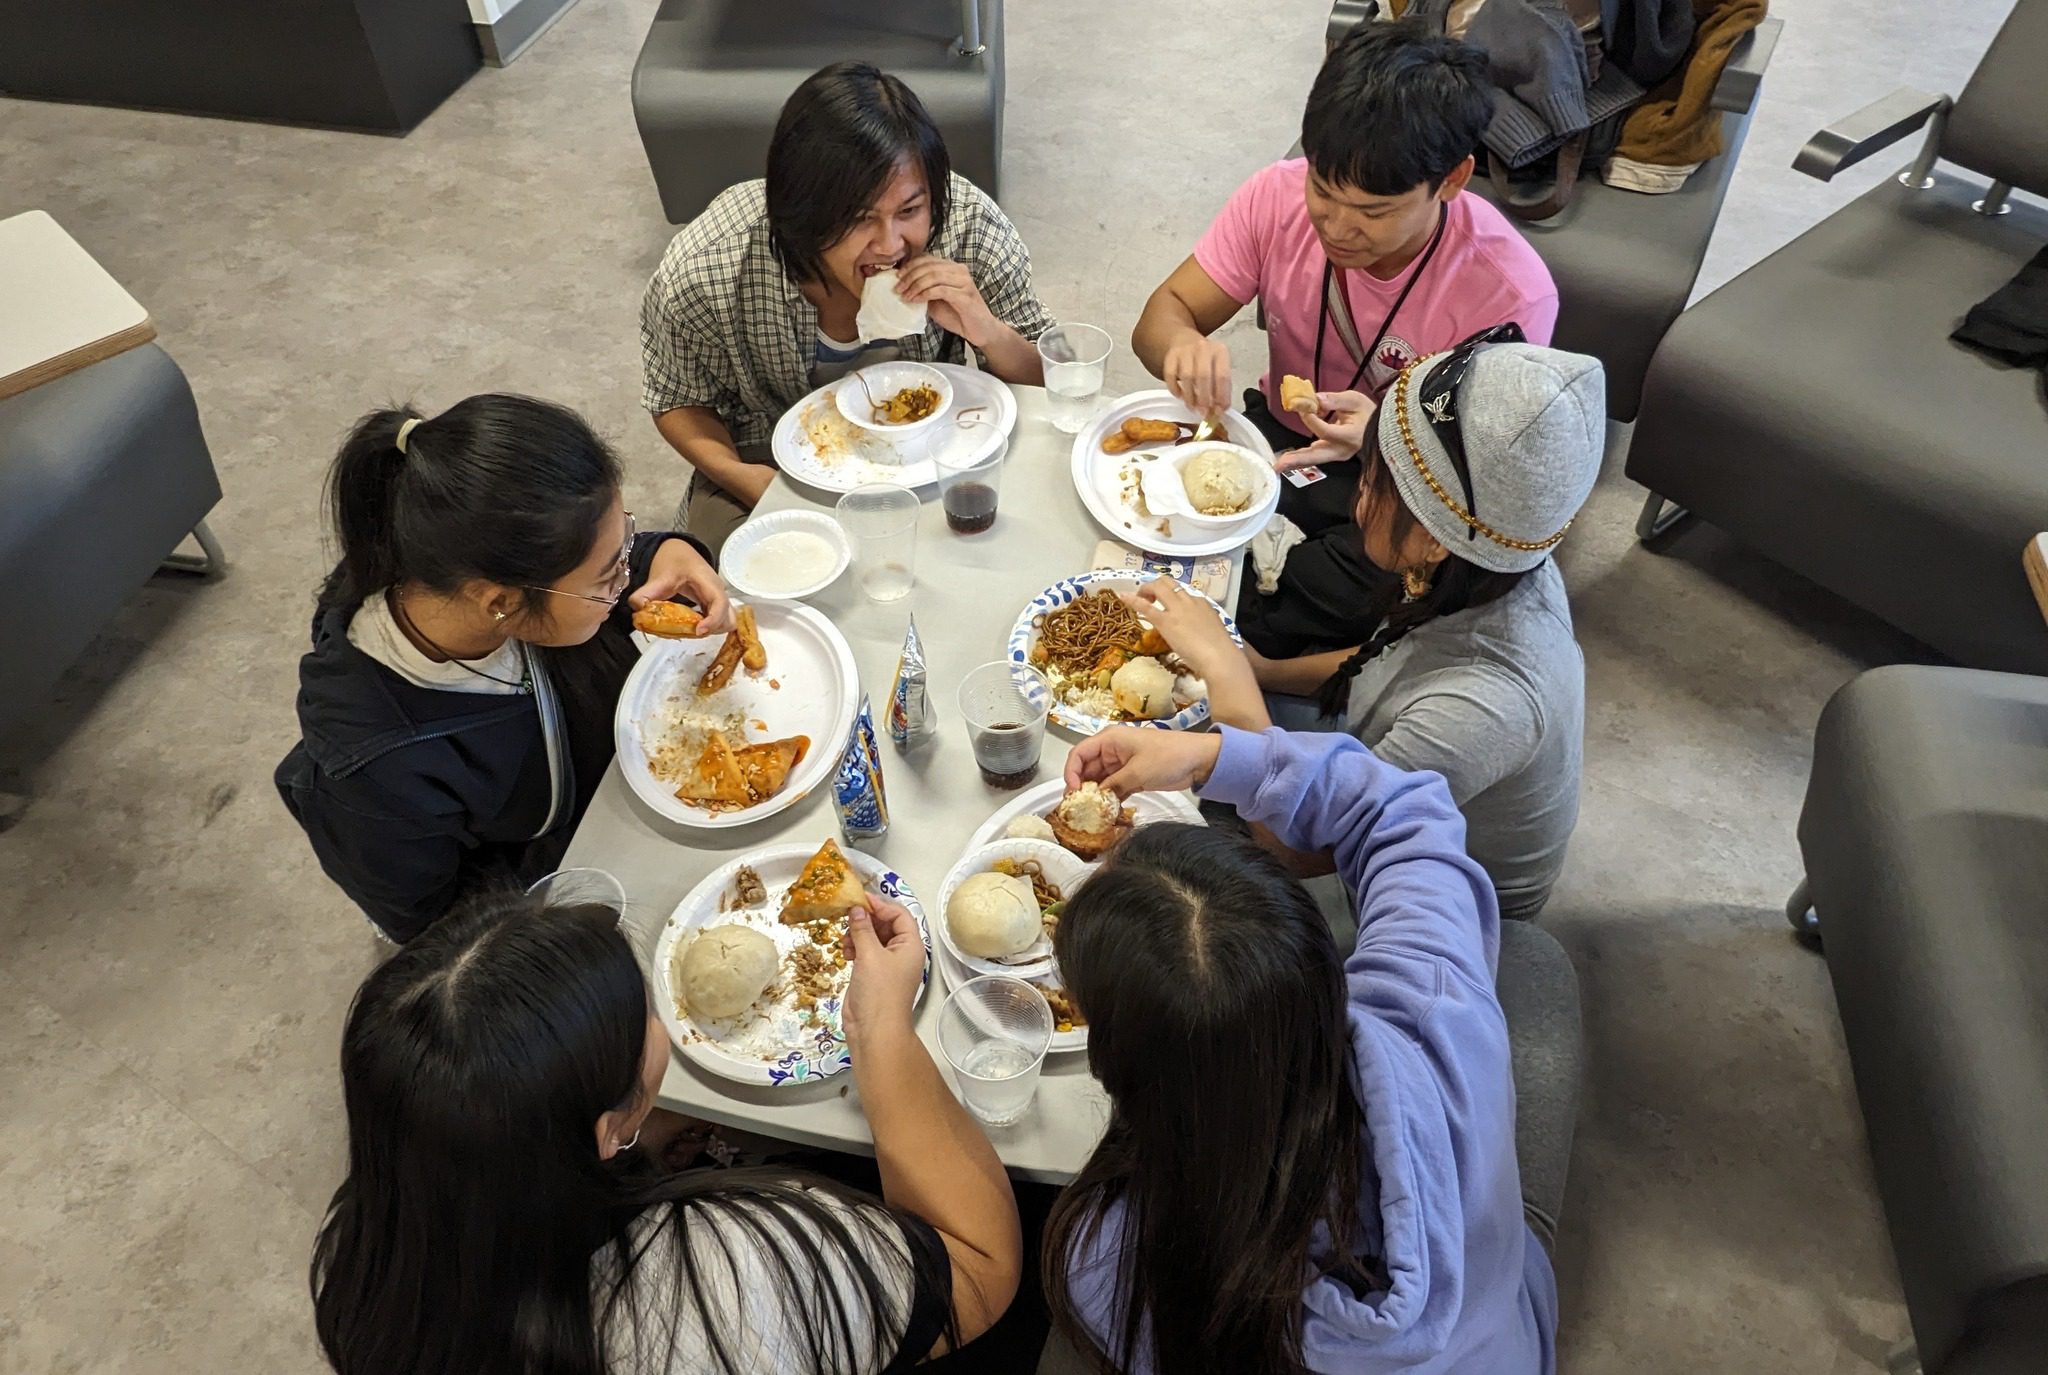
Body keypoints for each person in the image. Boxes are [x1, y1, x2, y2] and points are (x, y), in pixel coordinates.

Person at [310, 889, 1022, 1375]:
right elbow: (979, 1271)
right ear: (605, 1128)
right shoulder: (725, 1271)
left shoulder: (364, 1263)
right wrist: (881, 1030)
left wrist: (642, 1144)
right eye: (644, 1006)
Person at [1041, 723, 1558, 1374]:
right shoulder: (1438, 1015)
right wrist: (1214, 755)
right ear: (1316, 952)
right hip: (1506, 1337)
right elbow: (1401, 809)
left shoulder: (1115, 1264)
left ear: (1118, 1064)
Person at [1126, 335, 1604, 920]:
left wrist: (1228, 675)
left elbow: (1297, 849)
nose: (1357, 495)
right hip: (1366, 758)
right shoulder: (1485, 559)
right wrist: (1261, 671)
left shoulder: (1484, 706)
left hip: (1418, 905)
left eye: (1375, 477)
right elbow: (1390, 656)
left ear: (1433, 538)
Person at [1130, 20, 1558, 648]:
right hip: (1275, 435)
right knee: (1156, 513)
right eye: (1323, 192)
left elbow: (1482, 490)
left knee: (1341, 595)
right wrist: (1182, 345)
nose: (1337, 227)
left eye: (1374, 212)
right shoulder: (1273, 198)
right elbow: (1160, 317)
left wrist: (1385, 443)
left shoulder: (1511, 295)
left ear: (1453, 180)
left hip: (1400, 487)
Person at [275, 394, 733, 942]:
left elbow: (594, 561)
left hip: (612, 781)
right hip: (560, 882)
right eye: (609, 574)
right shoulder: (373, 773)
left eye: (626, 543)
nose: (623, 579)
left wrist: (663, 555)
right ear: (501, 603)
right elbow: (443, 934)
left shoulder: (489, 568)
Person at [641, 61, 1055, 554]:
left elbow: (1054, 383)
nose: (889, 243)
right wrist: (743, 477)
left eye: (909, 210)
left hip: (936, 443)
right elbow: (676, 397)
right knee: (731, 574)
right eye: (859, 219)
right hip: (764, 444)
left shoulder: (971, 230)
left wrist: (987, 331)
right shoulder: (708, 267)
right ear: (802, 214)